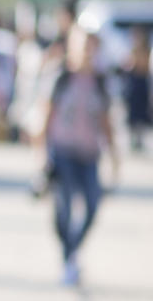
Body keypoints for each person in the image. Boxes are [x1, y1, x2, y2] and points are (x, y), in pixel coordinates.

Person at [44, 25, 118, 285]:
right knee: (63, 208)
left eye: (91, 46)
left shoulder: (100, 81)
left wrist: (115, 158)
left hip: (89, 153)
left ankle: (72, 250)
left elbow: (106, 121)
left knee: (92, 204)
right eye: (83, 45)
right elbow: (46, 115)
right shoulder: (61, 77)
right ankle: (68, 257)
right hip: (62, 151)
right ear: (73, 46)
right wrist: (41, 155)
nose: (87, 51)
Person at [124, 26, 151, 151]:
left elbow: (145, 67)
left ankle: (139, 140)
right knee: (133, 114)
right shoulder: (132, 50)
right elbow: (128, 65)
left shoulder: (146, 50)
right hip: (133, 85)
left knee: (141, 113)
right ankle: (133, 140)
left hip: (141, 84)